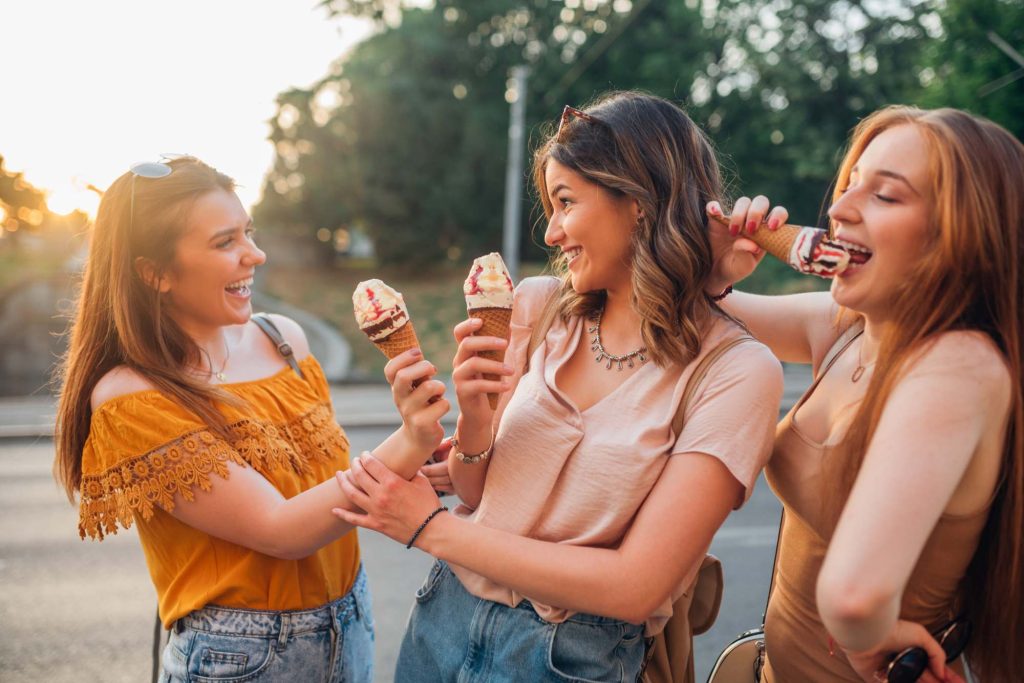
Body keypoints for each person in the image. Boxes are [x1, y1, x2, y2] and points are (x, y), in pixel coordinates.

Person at [331, 91, 784, 682]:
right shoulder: (538, 308)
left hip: (569, 659)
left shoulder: (735, 372)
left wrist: (430, 527)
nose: (550, 233)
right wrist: (474, 417)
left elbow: (636, 587)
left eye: (566, 202)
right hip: (442, 621)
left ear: (641, 201)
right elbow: (476, 488)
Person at [52, 156, 449, 682]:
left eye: (249, 233)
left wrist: (412, 467)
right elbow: (279, 529)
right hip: (242, 657)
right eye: (225, 243)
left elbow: (315, 491)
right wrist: (408, 439)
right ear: (156, 273)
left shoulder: (283, 340)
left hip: (350, 620)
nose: (255, 255)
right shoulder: (133, 397)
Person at [706, 106, 1024, 682]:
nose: (837, 209)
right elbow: (693, 316)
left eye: (886, 196)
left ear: (963, 232)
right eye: (850, 183)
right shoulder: (848, 324)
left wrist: (867, 635)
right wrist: (714, 270)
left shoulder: (958, 366)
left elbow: (855, 597)